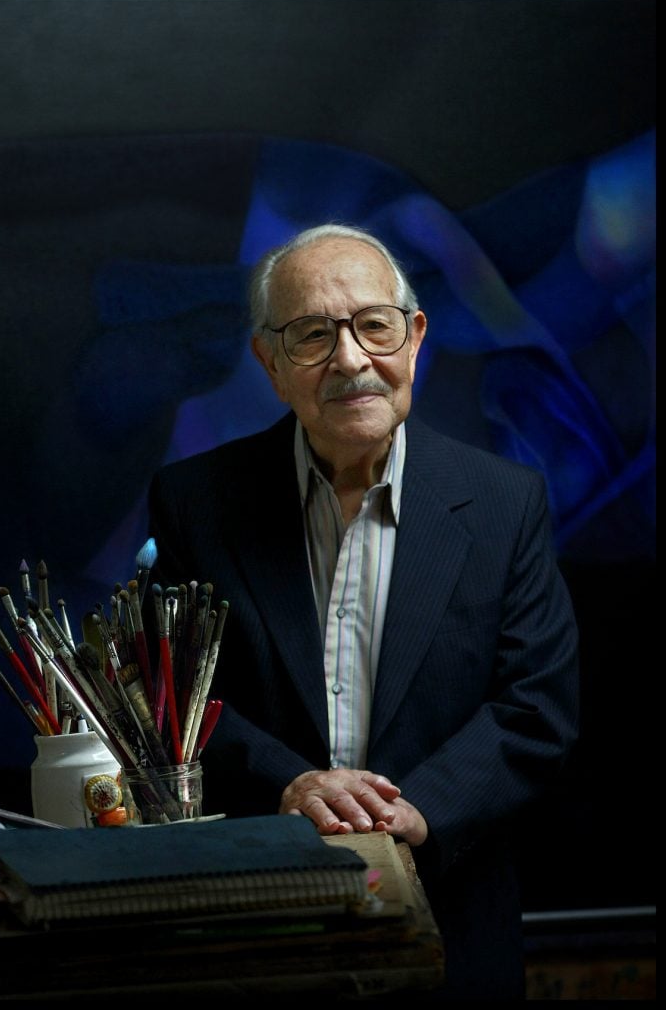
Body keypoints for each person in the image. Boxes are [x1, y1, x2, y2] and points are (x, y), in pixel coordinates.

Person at [147, 223, 579, 1000]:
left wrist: (415, 814)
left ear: (413, 338)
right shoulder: (195, 506)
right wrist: (292, 783)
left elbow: (535, 709)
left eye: (373, 326)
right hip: (256, 932)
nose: (351, 361)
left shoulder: (505, 504)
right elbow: (171, 698)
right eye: (312, 335)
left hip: (452, 926)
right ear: (271, 365)